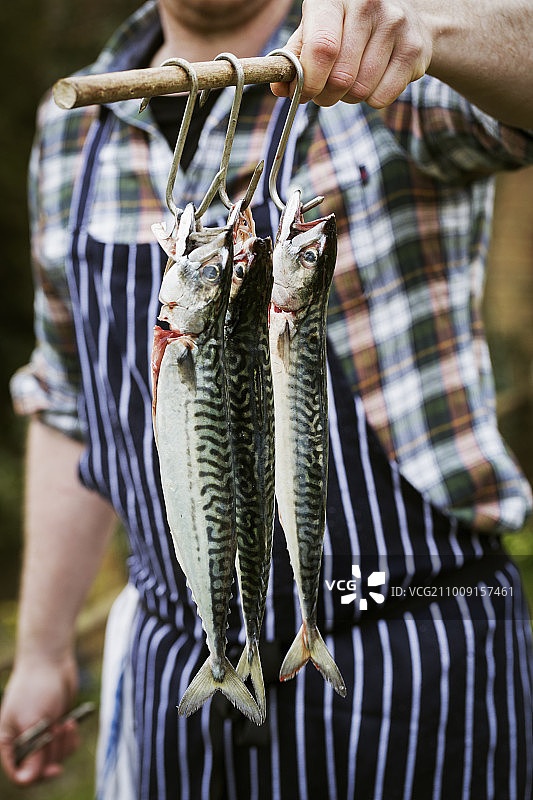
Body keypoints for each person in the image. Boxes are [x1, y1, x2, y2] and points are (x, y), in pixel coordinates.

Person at [1, 0, 533, 796]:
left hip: (419, 645)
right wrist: (42, 648)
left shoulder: (389, 58)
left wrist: (432, 32)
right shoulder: (77, 120)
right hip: (178, 653)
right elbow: (69, 404)